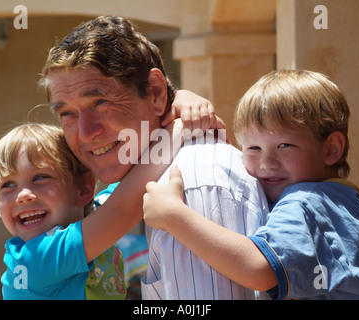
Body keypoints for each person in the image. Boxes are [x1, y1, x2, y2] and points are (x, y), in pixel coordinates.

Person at [38, 15, 269, 300]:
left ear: (156, 93)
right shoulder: (142, 182)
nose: (86, 134)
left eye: (100, 102)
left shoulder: (192, 184)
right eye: (67, 114)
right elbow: (121, 208)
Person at [143, 69, 359, 299]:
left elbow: (258, 269)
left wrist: (173, 214)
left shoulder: (308, 203)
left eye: (284, 146)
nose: (267, 162)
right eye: (253, 147)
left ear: (331, 149)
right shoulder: (342, 201)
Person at [0, 121, 183, 299]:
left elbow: (136, 181)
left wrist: (179, 105)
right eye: (7, 185)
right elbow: (124, 209)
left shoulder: (95, 211)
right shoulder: (35, 259)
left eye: (40, 178)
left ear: (83, 188)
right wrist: (179, 129)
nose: (22, 195)